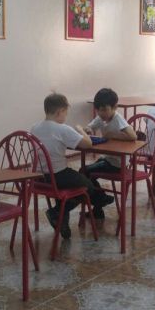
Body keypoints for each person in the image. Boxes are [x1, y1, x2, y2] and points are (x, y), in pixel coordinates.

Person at [31, 93, 114, 239]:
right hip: (57, 176)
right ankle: (58, 212)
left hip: (38, 177)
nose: (65, 116)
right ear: (60, 112)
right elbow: (87, 144)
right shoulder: (62, 129)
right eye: (65, 113)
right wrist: (81, 130)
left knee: (73, 184)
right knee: (87, 187)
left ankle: (63, 219)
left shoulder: (34, 128)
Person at [79, 88, 137, 219]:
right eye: (99, 110)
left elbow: (133, 136)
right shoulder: (101, 118)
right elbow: (90, 126)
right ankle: (99, 205)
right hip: (107, 159)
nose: (101, 113)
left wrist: (113, 135)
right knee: (88, 174)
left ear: (115, 107)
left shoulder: (118, 119)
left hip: (118, 164)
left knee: (84, 172)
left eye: (105, 109)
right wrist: (87, 129)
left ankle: (100, 199)